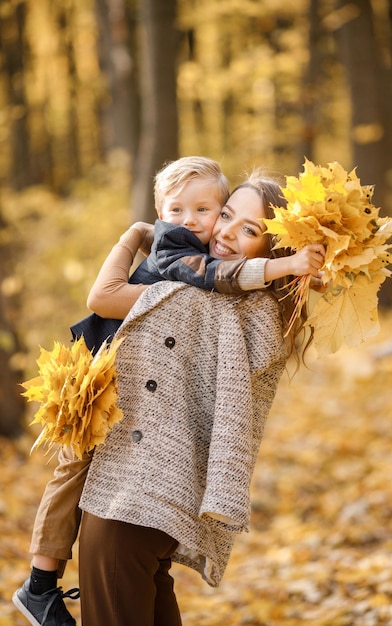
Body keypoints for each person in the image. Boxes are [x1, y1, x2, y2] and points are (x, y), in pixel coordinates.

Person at [13, 157, 323, 626]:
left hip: (129, 504)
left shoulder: (202, 303)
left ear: (272, 247)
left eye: (248, 229)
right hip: (150, 501)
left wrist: (131, 237)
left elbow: (104, 294)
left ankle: (38, 585)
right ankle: (38, 584)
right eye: (226, 217)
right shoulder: (233, 301)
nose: (222, 232)